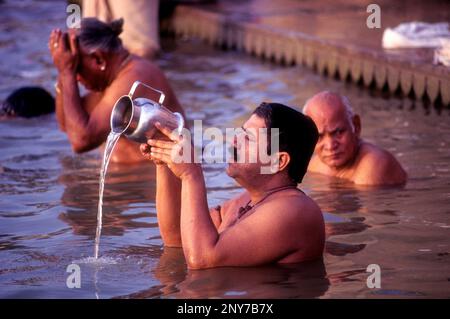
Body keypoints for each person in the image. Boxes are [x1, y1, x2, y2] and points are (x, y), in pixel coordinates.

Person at [140, 102, 325, 269]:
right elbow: (177, 240)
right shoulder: (248, 200)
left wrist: (191, 174)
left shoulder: (296, 210)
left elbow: (201, 259)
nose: (234, 140)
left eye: (249, 138)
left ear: (278, 161)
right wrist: (163, 159)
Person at [48, 17, 183, 163]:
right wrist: (63, 72)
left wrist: (67, 73)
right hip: (132, 179)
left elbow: (81, 141)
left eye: (77, 69)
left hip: (151, 180)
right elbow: (67, 126)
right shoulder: (111, 79)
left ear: (99, 59)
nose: (77, 78)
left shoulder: (135, 76)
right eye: (73, 69)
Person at [303, 91, 407, 186]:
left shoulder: (373, 165)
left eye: (338, 132)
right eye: (319, 137)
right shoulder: (315, 166)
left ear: (356, 126)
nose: (330, 146)